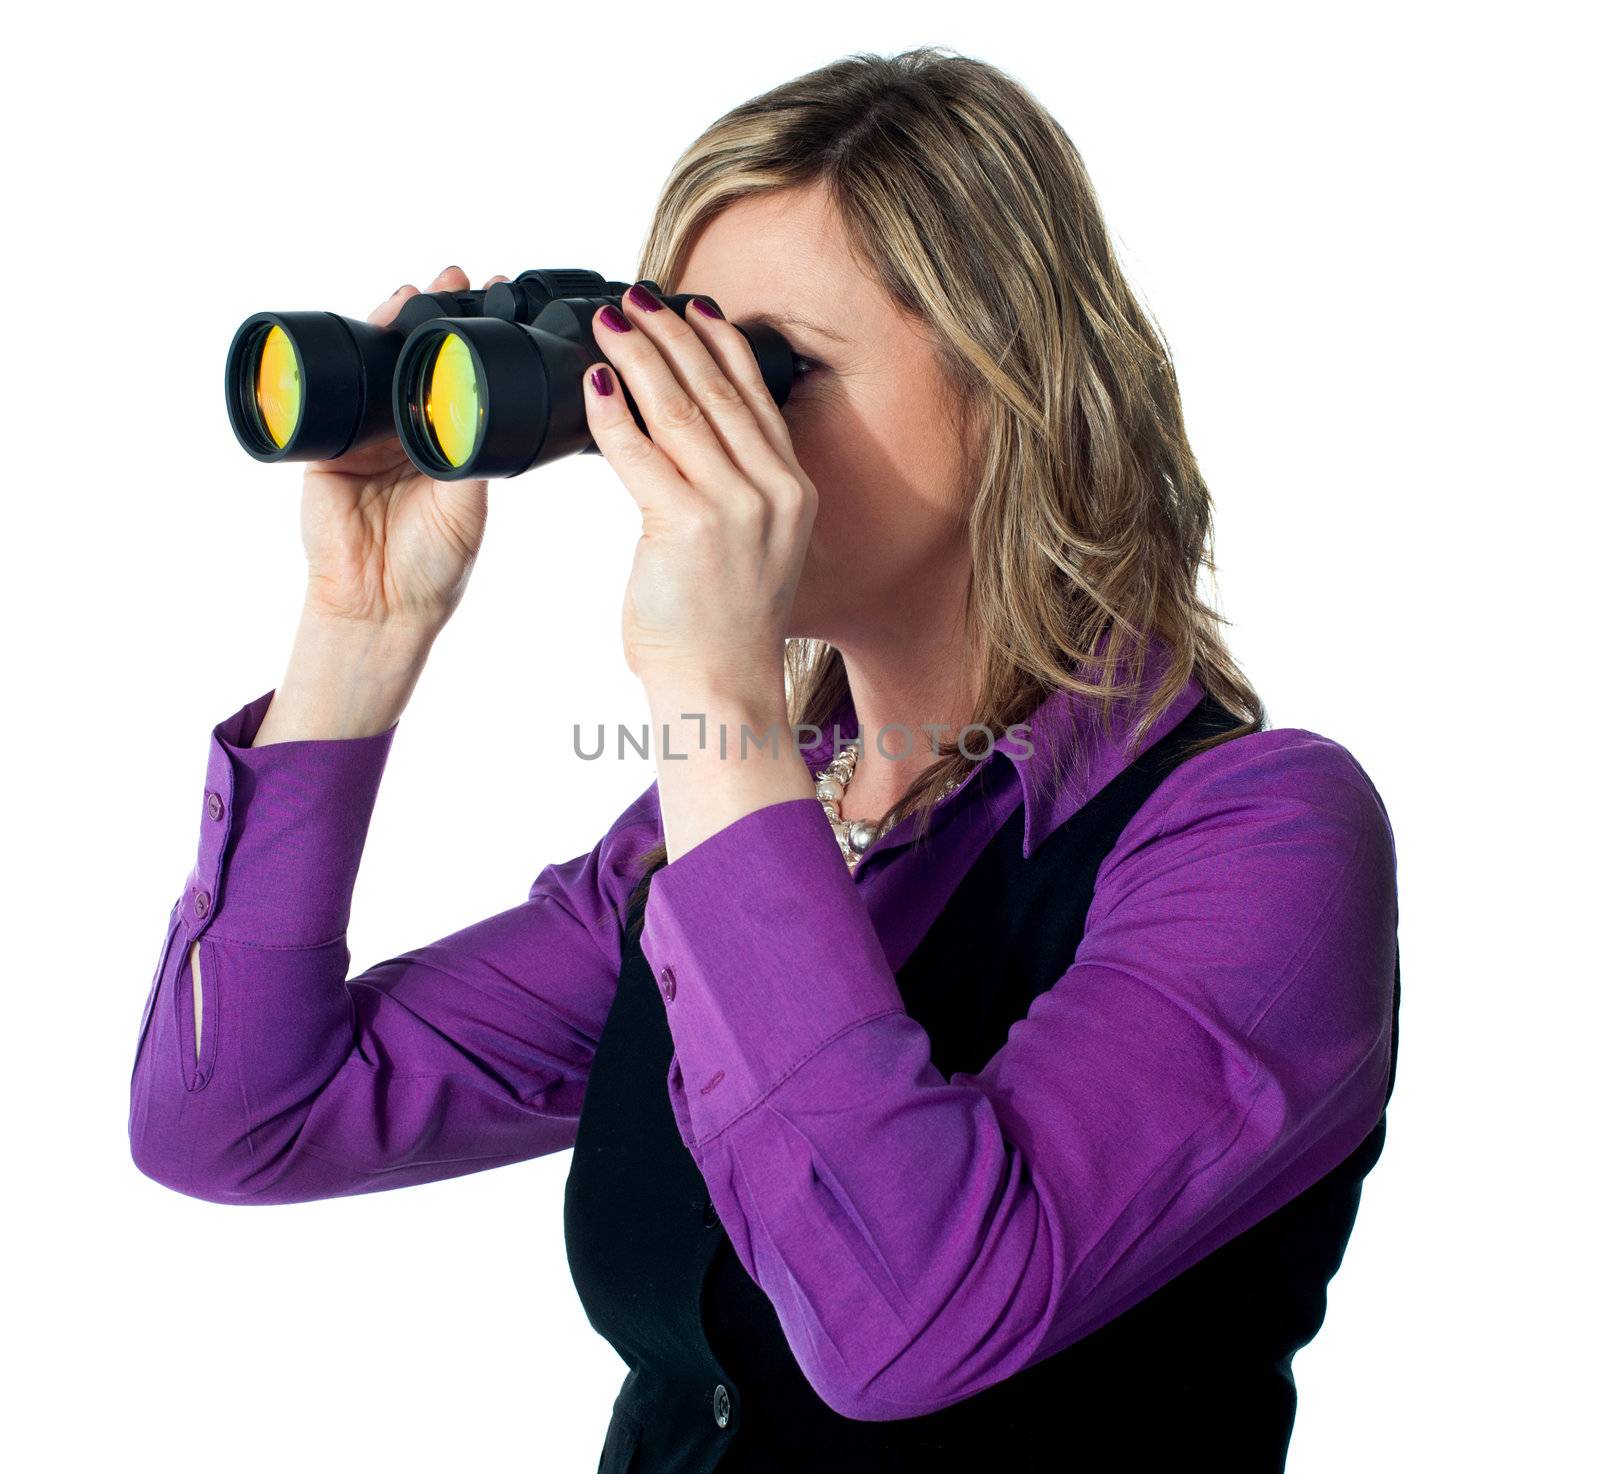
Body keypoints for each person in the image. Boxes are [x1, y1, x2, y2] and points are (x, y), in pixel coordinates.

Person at [128, 46, 1399, 1474]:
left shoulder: (1262, 836)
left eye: (768, 369)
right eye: (678, 361)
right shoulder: (714, 829)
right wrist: (357, 632)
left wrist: (715, 699)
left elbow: (914, 1315)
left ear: (1013, 390)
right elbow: (236, 1113)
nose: (699, 430)